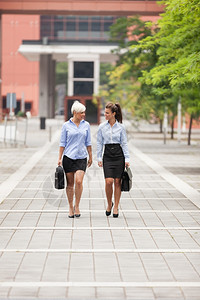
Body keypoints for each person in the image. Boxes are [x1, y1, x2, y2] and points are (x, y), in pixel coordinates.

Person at [58, 100, 92, 218]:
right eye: (81, 112)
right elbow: (62, 143)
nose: (83, 115)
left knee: (79, 181)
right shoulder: (66, 126)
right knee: (70, 184)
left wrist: (90, 156)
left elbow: (88, 142)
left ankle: (77, 205)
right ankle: (70, 207)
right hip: (68, 157)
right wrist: (59, 158)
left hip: (82, 157)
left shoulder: (86, 125)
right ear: (74, 112)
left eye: (84, 112)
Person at [97, 102, 130, 218]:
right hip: (107, 155)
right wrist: (98, 157)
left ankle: (116, 205)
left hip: (118, 155)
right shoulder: (102, 127)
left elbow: (124, 143)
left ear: (113, 114)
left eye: (107, 113)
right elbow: (99, 143)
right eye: (105, 112)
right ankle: (109, 203)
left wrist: (127, 158)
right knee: (108, 181)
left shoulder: (121, 127)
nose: (105, 114)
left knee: (117, 182)